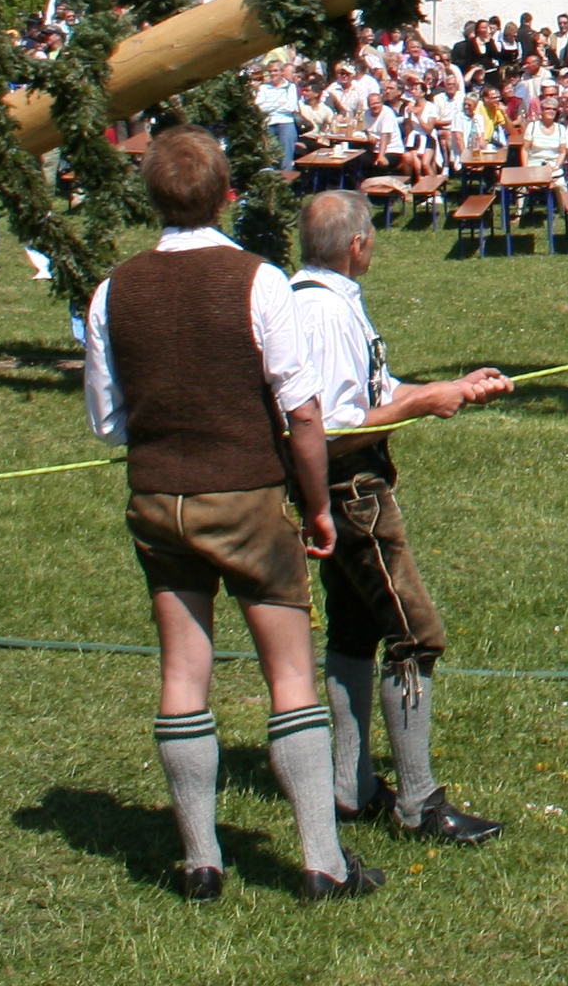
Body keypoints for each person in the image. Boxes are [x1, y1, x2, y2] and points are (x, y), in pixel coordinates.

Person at [82, 126, 373, 904]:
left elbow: (107, 421)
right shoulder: (259, 280)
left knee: (184, 671)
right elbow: (302, 413)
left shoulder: (113, 288)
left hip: (156, 499)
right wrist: (316, 506)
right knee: (289, 676)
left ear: (150, 197)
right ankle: (322, 861)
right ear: (229, 193)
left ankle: (200, 860)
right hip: (244, 494)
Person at [289, 190, 511, 848]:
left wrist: (453, 389)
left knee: (355, 627)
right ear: (358, 245)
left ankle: (349, 786)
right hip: (352, 489)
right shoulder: (322, 312)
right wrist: (422, 407)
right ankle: (417, 801)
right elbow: (331, 427)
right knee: (416, 635)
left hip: (346, 486)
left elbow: (372, 392)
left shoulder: (327, 300)